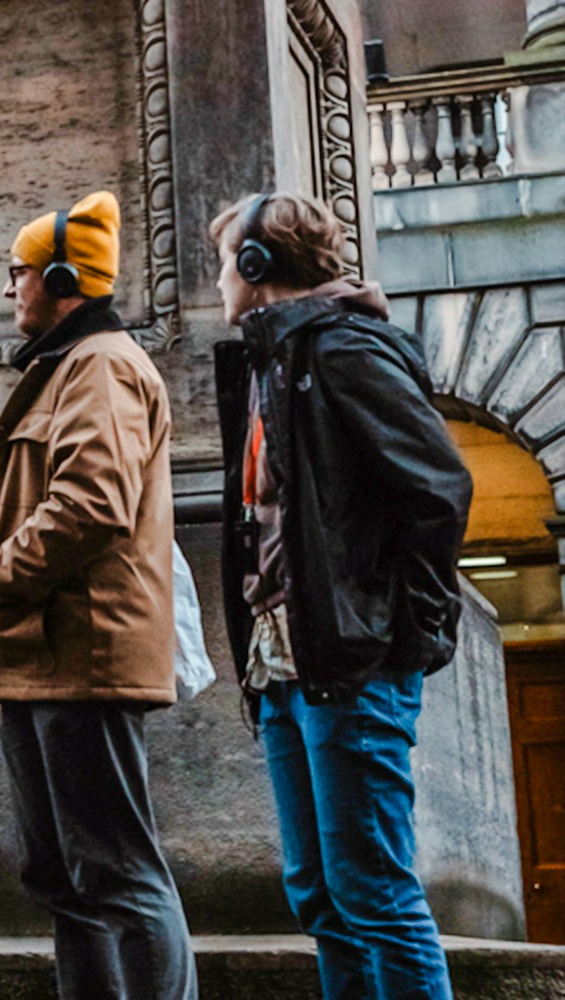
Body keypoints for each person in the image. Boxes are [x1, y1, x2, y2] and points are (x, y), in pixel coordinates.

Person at [210, 191, 472, 1000]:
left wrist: (400, 632)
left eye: (226, 260)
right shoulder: (273, 360)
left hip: (350, 664)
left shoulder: (345, 351)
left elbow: (438, 491)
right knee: (321, 895)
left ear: (257, 269)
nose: (218, 277)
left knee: (375, 894)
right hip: (285, 661)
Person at [0, 191, 197, 1000]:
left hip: (82, 656)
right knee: (63, 877)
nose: (9, 288)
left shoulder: (103, 365)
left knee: (117, 871)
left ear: (60, 277)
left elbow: (92, 500)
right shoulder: (72, 367)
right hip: (45, 655)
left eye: (17, 273)